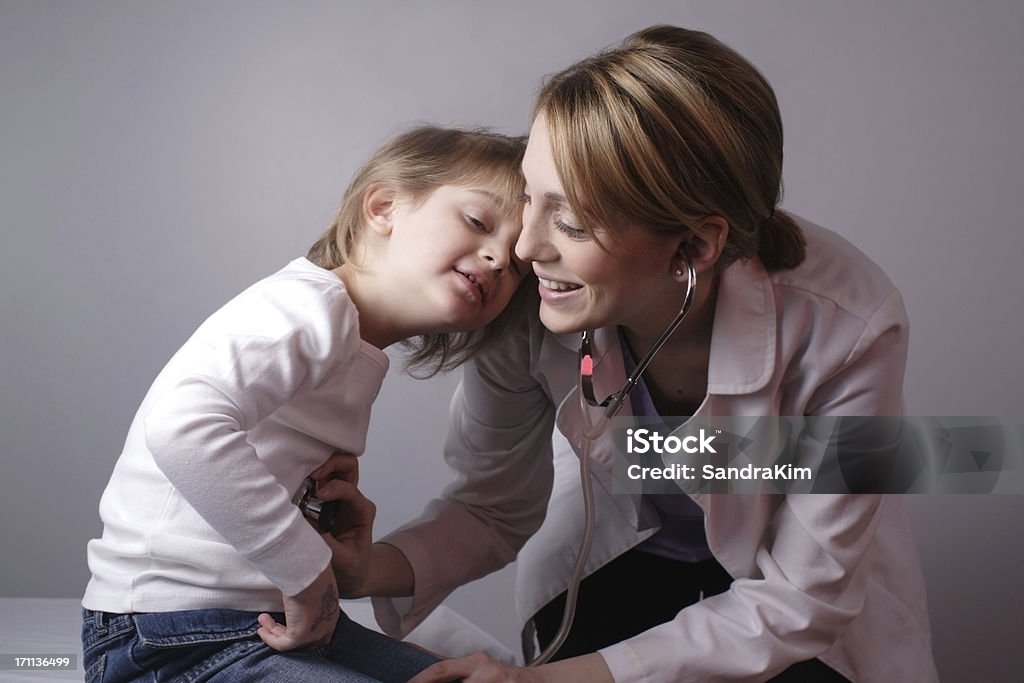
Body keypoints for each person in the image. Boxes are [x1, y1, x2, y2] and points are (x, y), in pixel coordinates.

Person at [324, 26, 939, 682]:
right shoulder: (529, 300)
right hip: (613, 558)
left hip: (787, 593)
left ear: (695, 247)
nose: (524, 248)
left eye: (572, 221)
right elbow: (491, 503)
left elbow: (800, 594)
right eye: (530, 196)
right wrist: (367, 567)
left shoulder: (849, 323)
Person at [81, 125, 531, 682]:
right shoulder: (309, 308)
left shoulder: (351, 342)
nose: (495, 257)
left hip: (260, 621)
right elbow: (181, 425)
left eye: (516, 264)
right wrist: (306, 572)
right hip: (174, 633)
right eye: (479, 222)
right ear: (385, 206)